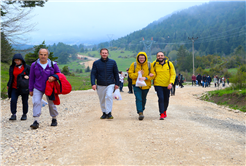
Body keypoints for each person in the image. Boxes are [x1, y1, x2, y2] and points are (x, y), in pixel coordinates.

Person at [29, 48, 61, 129]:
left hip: (50, 87)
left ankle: (54, 118)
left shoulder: (53, 64)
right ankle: (36, 121)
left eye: (45, 54)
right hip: (37, 87)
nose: (43, 56)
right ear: (38, 55)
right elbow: (31, 78)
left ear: (47, 55)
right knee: (36, 102)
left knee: (51, 103)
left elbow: (59, 75)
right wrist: (30, 89)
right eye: (41, 54)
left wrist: (54, 78)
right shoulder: (34, 65)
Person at [91, 48, 119, 119]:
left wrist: (117, 84)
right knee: (102, 99)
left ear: (108, 54)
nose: (104, 54)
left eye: (105, 53)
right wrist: (93, 83)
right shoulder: (96, 63)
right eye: (103, 53)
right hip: (100, 84)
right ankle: (104, 113)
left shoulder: (113, 62)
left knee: (109, 96)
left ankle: (109, 113)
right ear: (100, 54)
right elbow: (93, 74)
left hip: (110, 83)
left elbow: (116, 74)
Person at [128, 52, 155, 120]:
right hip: (136, 85)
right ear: (138, 58)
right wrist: (138, 74)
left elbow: (153, 74)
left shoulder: (149, 65)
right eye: (140, 58)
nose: (141, 59)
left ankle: (142, 109)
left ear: (145, 58)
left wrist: (146, 78)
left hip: (146, 85)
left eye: (143, 58)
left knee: (143, 98)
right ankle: (140, 112)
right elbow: (130, 74)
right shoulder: (133, 65)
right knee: (138, 98)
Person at [152, 51, 176, 120]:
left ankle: (165, 110)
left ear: (164, 56)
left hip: (167, 85)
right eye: (158, 55)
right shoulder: (154, 64)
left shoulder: (169, 64)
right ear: (156, 57)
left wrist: (171, 83)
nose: (160, 57)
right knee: (161, 98)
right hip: (158, 84)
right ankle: (161, 113)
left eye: (161, 55)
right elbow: (152, 73)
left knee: (166, 99)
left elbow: (173, 74)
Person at [7, 54, 30, 121]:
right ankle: (13, 114)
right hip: (14, 86)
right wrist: (9, 85)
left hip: (24, 87)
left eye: (18, 60)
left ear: (21, 60)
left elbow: (32, 75)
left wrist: (28, 76)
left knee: (25, 101)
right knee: (13, 100)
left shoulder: (27, 67)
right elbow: (11, 77)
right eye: (15, 60)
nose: (17, 62)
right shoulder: (12, 67)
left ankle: (24, 114)